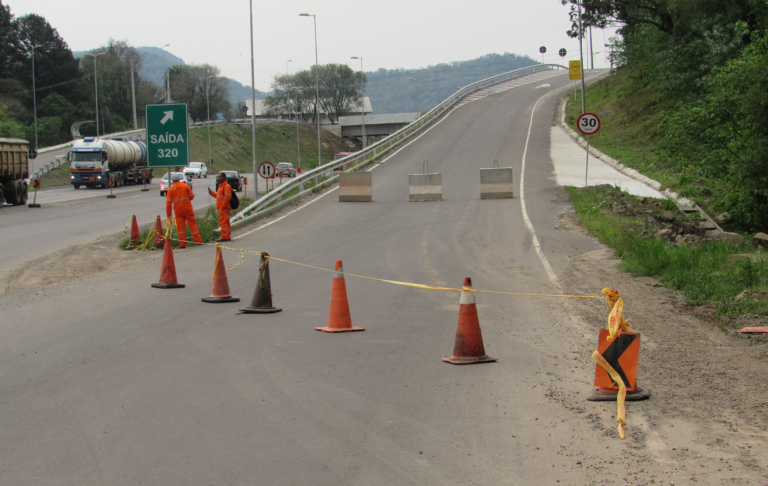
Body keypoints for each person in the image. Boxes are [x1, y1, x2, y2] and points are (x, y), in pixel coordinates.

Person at [165, 173, 202, 249]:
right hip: (188, 209)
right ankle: (198, 241)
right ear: (179, 179)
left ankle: (182, 244)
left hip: (178, 211)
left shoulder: (171, 189)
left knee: (180, 228)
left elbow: (168, 203)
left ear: (172, 180)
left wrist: (168, 214)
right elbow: (192, 196)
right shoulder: (185, 186)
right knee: (192, 225)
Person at [208, 172, 232, 242]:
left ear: (224, 177)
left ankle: (224, 237)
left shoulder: (226, 186)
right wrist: (211, 193)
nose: (218, 178)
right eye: (217, 177)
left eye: (220, 177)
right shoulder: (220, 186)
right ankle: (227, 236)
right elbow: (218, 196)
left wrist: (222, 206)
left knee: (223, 222)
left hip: (224, 207)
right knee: (226, 222)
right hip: (222, 207)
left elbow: (227, 197)